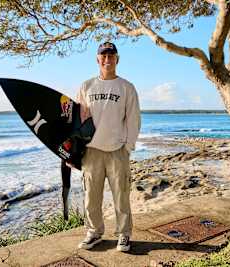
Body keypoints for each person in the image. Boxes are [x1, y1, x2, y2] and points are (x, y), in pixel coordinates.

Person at [75, 42, 141, 252]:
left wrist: (128, 147)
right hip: (91, 151)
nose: (107, 59)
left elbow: (133, 119)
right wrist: (74, 151)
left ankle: (124, 235)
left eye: (111, 55)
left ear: (117, 59)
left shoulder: (126, 87)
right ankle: (94, 233)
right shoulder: (86, 86)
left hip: (117, 150)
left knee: (121, 195)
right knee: (91, 197)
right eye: (103, 55)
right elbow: (79, 120)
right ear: (97, 59)